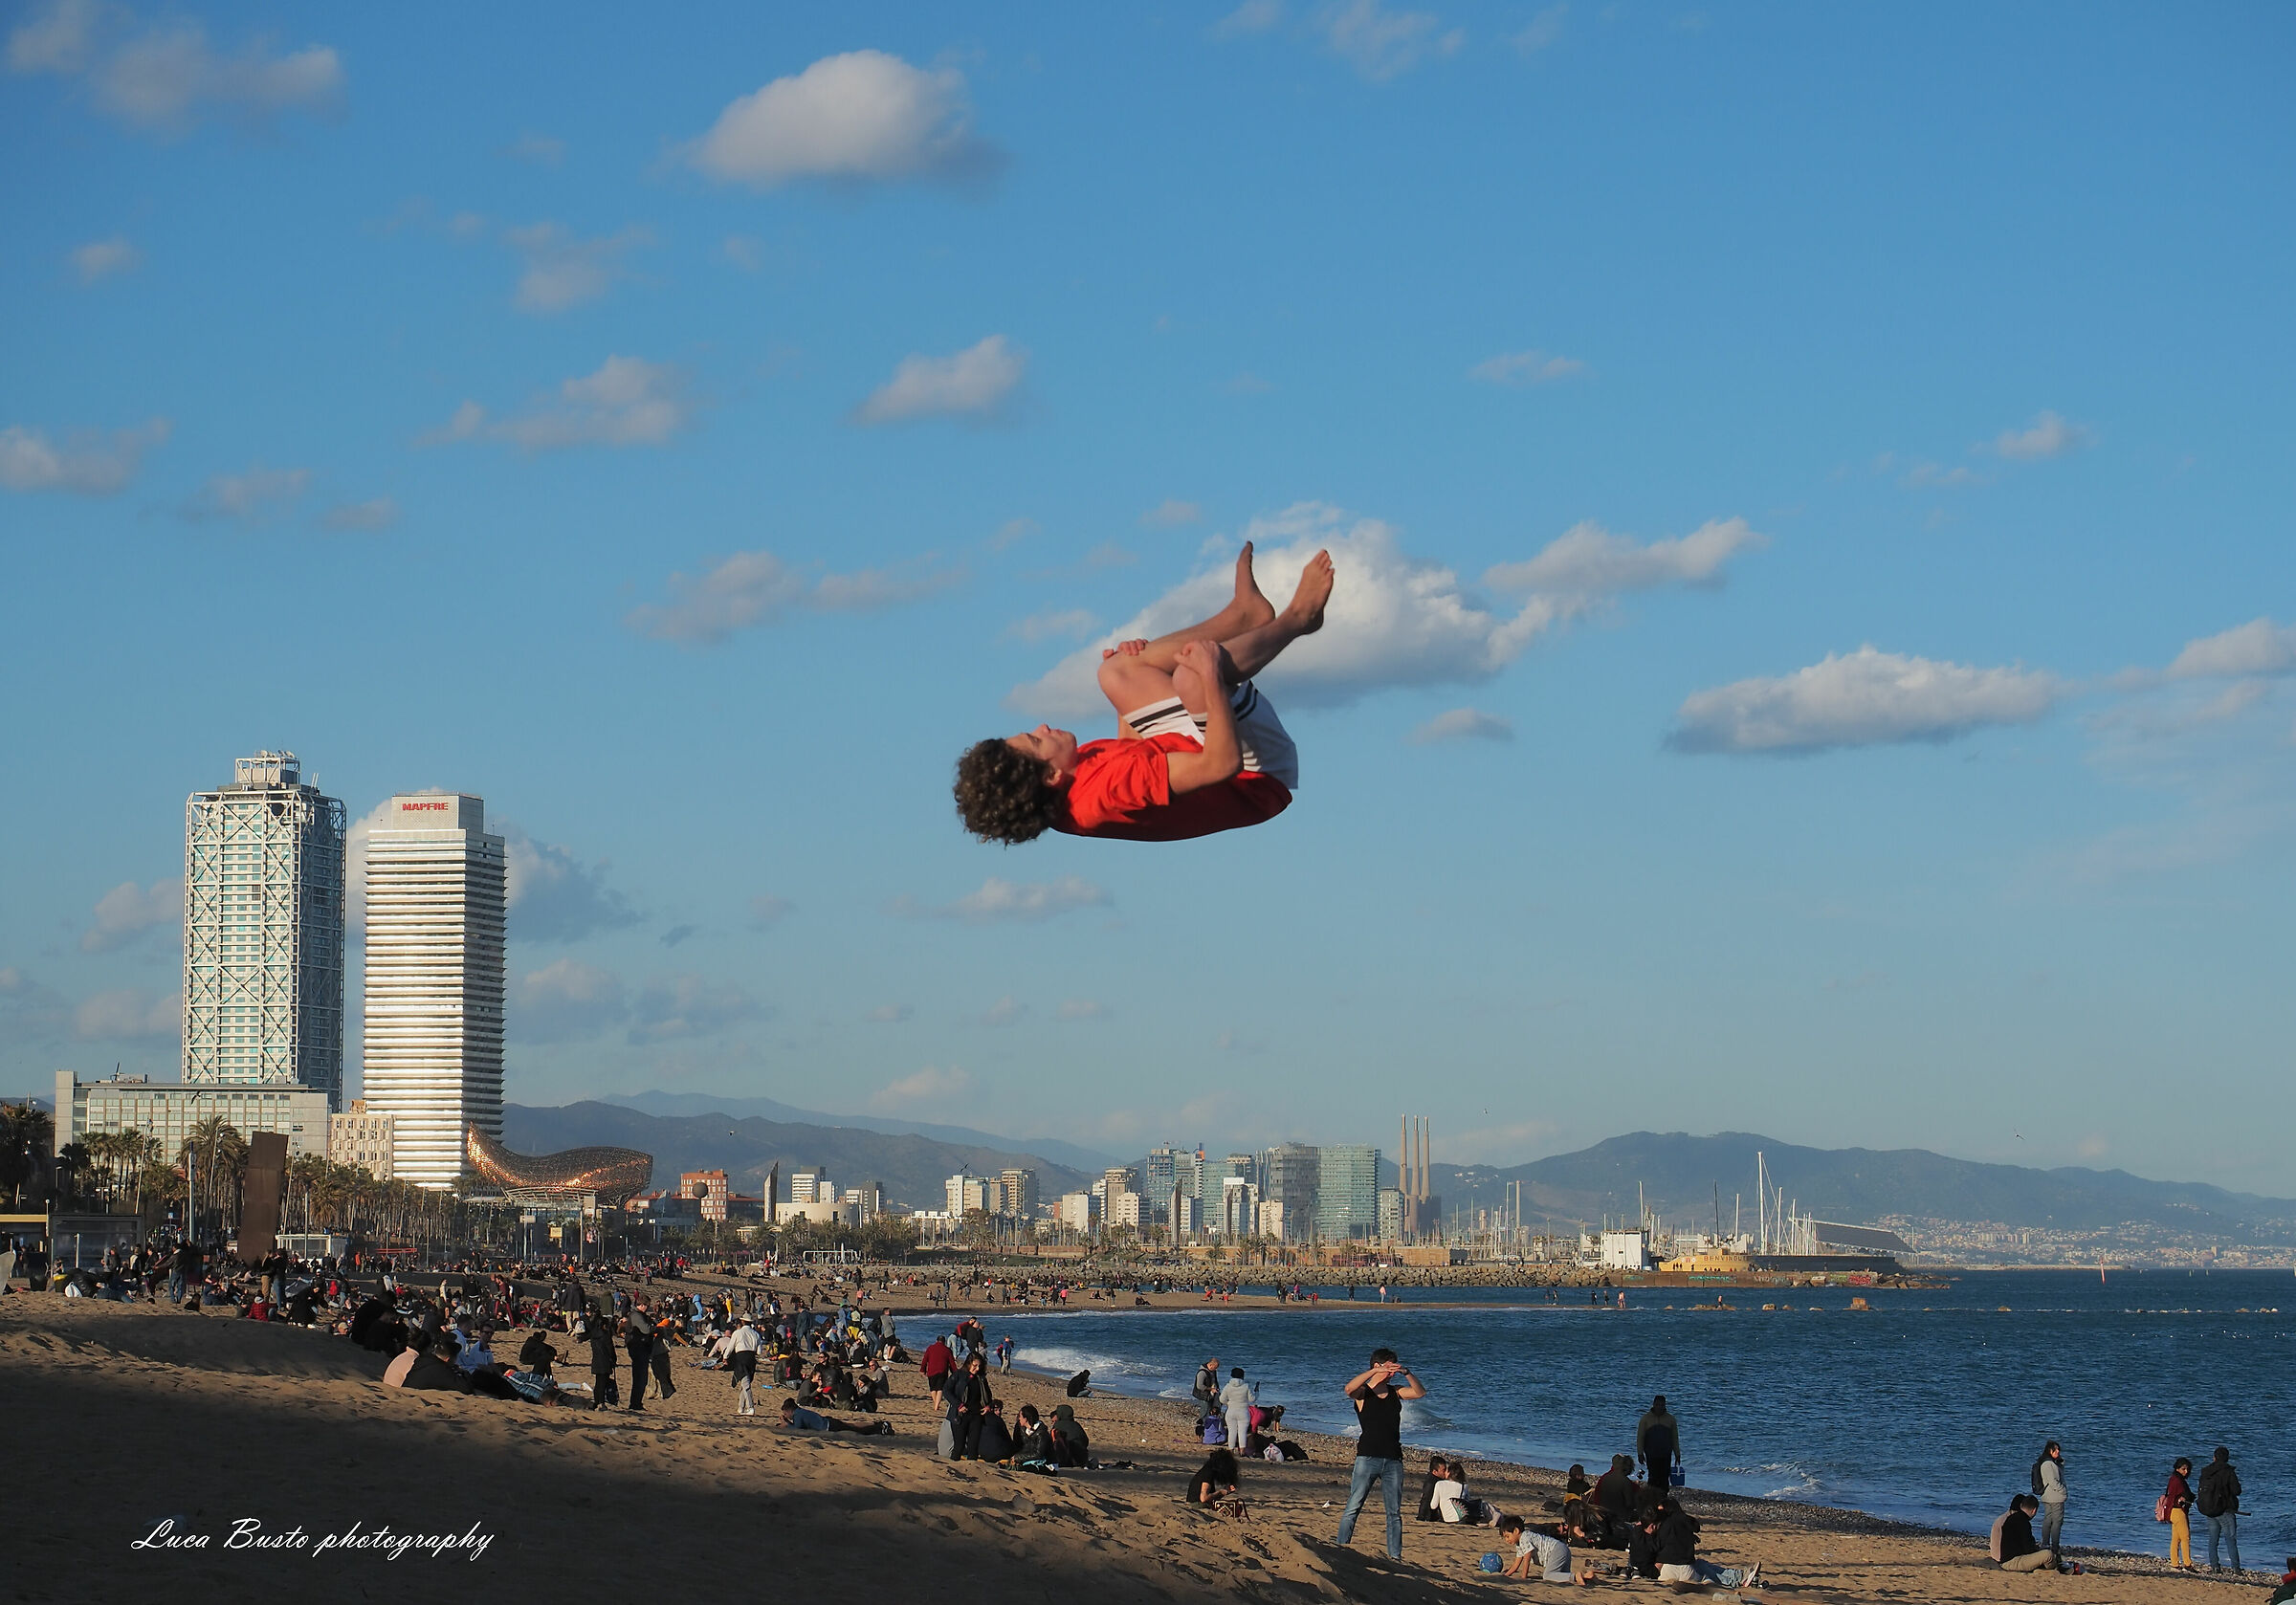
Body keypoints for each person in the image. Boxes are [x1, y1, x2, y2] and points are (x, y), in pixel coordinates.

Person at [954, 544, 1334, 845]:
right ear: (1051, 774)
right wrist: (1210, 676)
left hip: (1193, 749)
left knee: (1116, 671)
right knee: (1192, 679)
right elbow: (1221, 765)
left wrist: (1130, 699)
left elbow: (1132, 751)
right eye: (1036, 739)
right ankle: (1298, 618)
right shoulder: (1107, 795)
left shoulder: (1068, 782)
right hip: (1256, 778)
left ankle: (1244, 618)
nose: (1042, 725)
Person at [1334, 1347, 1425, 1564]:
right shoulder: (1363, 1393)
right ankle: (1340, 1549)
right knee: (1353, 1507)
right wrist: (1375, 1371)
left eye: (1394, 1369)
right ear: (1377, 1366)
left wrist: (1406, 1372)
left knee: (1394, 1513)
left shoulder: (1396, 1391)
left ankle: (1395, 1557)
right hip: (1367, 1457)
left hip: (1393, 1459)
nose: (1392, 1372)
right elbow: (1349, 1389)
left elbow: (1420, 1393)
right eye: (1389, 1368)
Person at [1495, 1515, 1579, 1584]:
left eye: (1507, 1536)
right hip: (1563, 1549)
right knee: (1562, 1577)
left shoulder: (1524, 1537)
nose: (1506, 1540)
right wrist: (1506, 1575)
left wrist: (1524, 1577)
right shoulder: (1520, 1544)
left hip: (1556, 1550)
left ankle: (1575, 1576)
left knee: (1548, 1576)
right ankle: (1584, 1577)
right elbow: (1516, 1565)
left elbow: (1527, 1557)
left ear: (1516, 1531)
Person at [2197, 1445, 2241, 1573]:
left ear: (2214, 1457)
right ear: (2227, 1458)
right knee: (2230, 1539)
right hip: (2226, 1510)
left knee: (2213, 1540)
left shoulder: (2206, 1472)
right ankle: (2236, 1568)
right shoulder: (2228, 1472)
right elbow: (2237, 1491)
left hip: (2209, 1509)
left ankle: (2215, 1566)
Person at [1992, 1493, 2056, 1572]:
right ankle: (2052, 1568)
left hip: (2006, 1558)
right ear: (2034, 1510)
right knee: (2048, 1555)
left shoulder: (2009, 1518)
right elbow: (2029, 1549)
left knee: (2045, 1555)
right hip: (2011, 1562)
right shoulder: (2023, 1522)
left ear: (2021, 1505)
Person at [1638, 1396, 1683, 1490]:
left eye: (1662, 1405)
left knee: (1664, 1478)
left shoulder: (1670, 1419)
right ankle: (1652, 1499)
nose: (1659, 1407)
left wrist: (1677, 1454)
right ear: (1653, 1405)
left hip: (1665, 1453)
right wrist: (1640, 1453)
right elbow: (1640, 1437)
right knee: (1653, 1477)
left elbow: (1675, 1438)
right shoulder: (1645, 1419)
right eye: (1657, 1405)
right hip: (1651, 1453)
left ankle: (1663, 1499)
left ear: (1665, 1405)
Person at [780, 1397, 893, 1435]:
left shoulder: (798, 1415)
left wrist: (787, 1424)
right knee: (852, 1426)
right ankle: (878, 1425)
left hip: (829, 1426)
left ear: (789, 1410)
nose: (787, 1416)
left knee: (855, 1429)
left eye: (786, 1414)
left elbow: (798, 1430)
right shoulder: (800, 1412)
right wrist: (788, 1422)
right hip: (828, 1422)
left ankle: (879, 1427)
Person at [2033, 1440, 2067, 1565]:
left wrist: (2060, 1462)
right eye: (2055, 1450)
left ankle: (2046, 1544)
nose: (2058, 1452)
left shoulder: (2048, 1463)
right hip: (2054, 1497)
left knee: (2049, 1520)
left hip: (2048, 1496)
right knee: (2056, 1522)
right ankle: (2053, 1546)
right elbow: (2053, 1481)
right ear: (2050, 1451)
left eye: (2058, 1450)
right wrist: (2063, 1491)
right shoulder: (2048, 1464)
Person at [727, 1316, 764, 1416]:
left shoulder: (737, 1333)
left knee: (746, 1384)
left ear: (742, 1322)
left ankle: (750, 1407)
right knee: (745, 1383)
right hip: (751, 1359)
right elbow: (759, 1351)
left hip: (741, 1359)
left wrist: (725, 1357)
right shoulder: (756, 1334)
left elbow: (730, 1347)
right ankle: (741, 1407)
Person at [2165, 1457, 2196, 1572]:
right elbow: (2178, 1496)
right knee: (2185, 1537)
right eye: (2183, 1469)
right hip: (2178, 1511)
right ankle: (2187, 1563)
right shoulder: (2178, 1481)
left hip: (2174, 1511)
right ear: (2177, 1469)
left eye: (2187, 1469)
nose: (2186, 1472)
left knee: (2176, 1538)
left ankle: (2175, 1563)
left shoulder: (2174, 1479)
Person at [1219, 1367, 1257, 1461]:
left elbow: (1221, 1399)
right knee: (1242, 1432)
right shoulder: (1246, 1386)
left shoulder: (1228, 1386)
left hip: (1231, 1411)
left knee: (1232, 1432)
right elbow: (1252, 1399)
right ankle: (1242, 1452)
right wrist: (1257, 1392)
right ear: (1242, 1376)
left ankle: (1231, 1451)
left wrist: (1229, 1403)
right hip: (1243, 1411)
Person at [1050, 1402, 1092, 1467]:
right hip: (1082, 1458)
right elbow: (1086, 1441)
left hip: (1067, 1459)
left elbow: (1052, 1440)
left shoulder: (1058, 1425)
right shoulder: (1076, 1425)